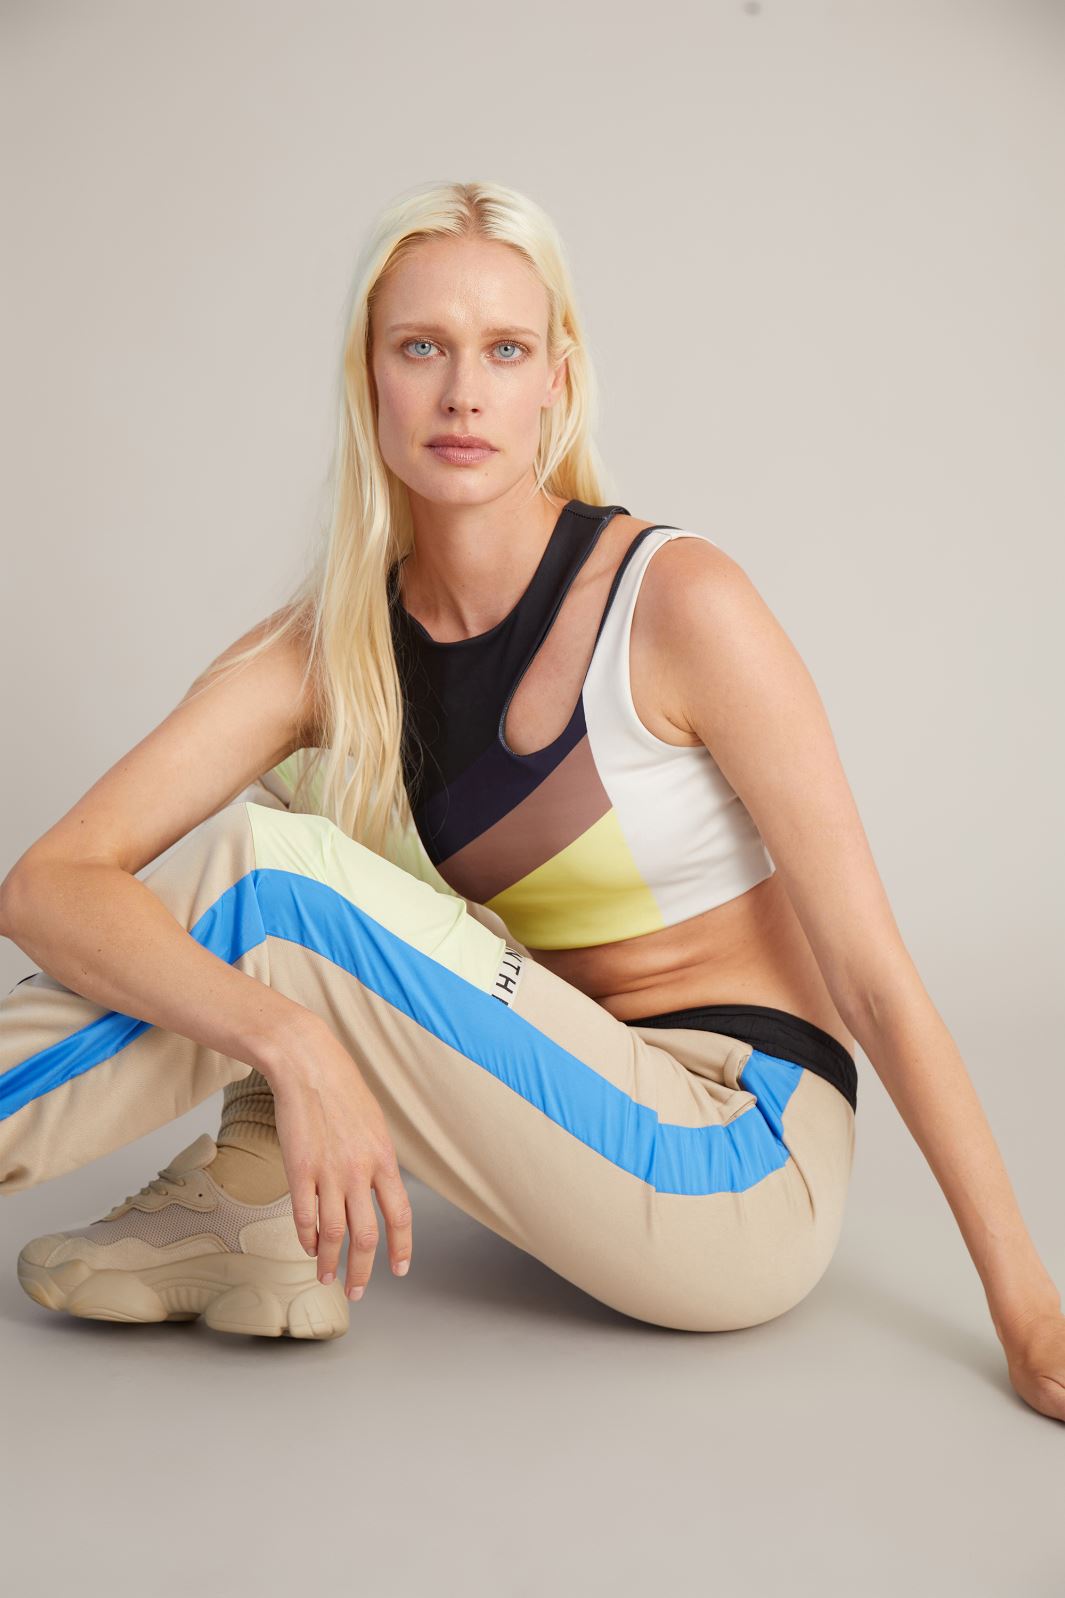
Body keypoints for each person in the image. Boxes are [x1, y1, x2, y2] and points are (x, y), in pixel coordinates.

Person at [0, 180, 1061, 1419]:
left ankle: (248, 1183)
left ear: (556, 380)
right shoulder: (327, 648)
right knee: (294, 861)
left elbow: (873, 977)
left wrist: (1029, 1305)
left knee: (274, 876)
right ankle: (255, 1197)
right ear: (368, 378)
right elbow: (48, 886)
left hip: (738, 1158)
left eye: (504, 350)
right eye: (421, 348)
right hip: (567, 1106)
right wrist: (287, 1043)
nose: (463, 391)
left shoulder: (678, 604)